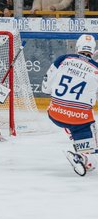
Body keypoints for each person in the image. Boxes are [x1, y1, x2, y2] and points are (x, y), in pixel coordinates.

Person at [42, 34, 98, 176]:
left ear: (77, 47)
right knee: (94, 152)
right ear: (93, 49)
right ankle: (83, 156)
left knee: (72, 120)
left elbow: (45, 88)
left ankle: (81, 147)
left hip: (55, 114)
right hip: (80, 119)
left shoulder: (63, 59)